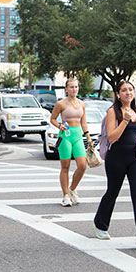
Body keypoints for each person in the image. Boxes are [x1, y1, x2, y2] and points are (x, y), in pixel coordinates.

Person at [93, 81, 136, 250]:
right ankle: (100, 224)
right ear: (118, 94)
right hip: (116, 158)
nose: (128, 92)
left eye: (130, 89)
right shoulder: (113, 112)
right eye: (124, 90)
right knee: (112, 192)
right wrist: (125, 121)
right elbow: (112, 137)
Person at [50, 78, 91, 207]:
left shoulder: (81, 104)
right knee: (65, 166)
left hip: (78, 135)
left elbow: (83, 122)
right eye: (71, 87)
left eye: (76, 87)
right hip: (66, 135)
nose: (74, 89)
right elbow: (52, 119)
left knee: (82, 165)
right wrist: (59, 126)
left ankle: (72, 189)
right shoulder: (61, 104)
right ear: (66, 89)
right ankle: (65, 195)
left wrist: (88, 137)